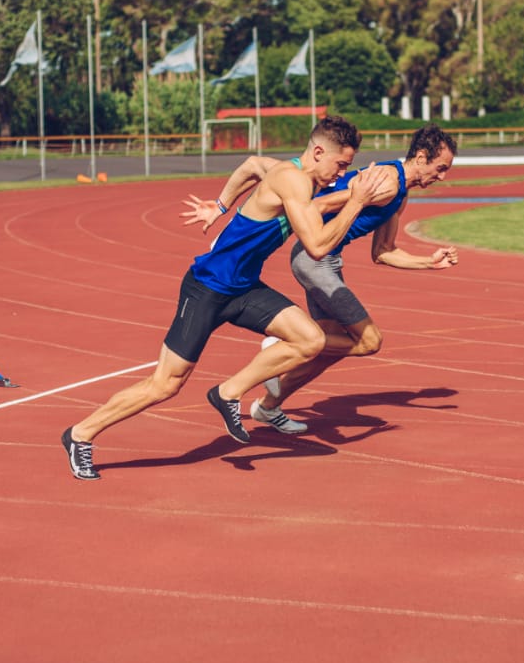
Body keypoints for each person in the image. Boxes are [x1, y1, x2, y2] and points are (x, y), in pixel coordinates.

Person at [61, 116, 391, 481]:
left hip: (244, 288)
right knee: (166, 384)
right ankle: (80, 434)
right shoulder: (292, 179)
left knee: (310, 339)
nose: (341, 171)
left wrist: (219, 206)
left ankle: (228, 392)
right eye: (340, 164)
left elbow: (251, 164)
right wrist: (357, 200)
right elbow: (316, 246)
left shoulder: (290, 172)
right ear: (317, 152)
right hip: (207, 288)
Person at [187, 124, 459, 434]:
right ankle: (282, 343)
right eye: (441, 168)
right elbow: (318, 204)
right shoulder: (388, 184)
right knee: (368, 341)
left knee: (324, 352)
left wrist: (428, 263)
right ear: (421, 158)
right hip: (315, 259)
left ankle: (268, 407)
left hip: (328, 260)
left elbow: (383, 252)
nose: (443, 176)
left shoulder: (400, 191)